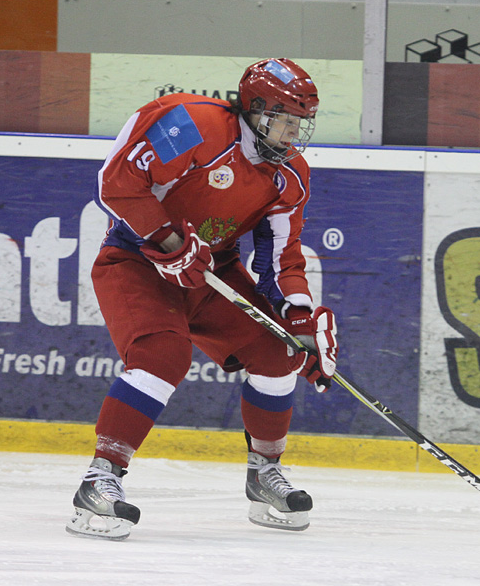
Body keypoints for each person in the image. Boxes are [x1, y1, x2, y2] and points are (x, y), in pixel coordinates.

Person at [65, 58, 338, 540]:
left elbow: (281, 259)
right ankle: (101, 477)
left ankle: (264, 472)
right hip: (136, 261)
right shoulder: (191, 124)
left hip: (212, 271)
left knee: (279, 353)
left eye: (301, 124)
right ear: (256, 110)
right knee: (161, 356)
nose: (294, 135)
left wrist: (300, 319)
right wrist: (168, 241)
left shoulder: (289, 174)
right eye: (286, 121)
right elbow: (118, 182)